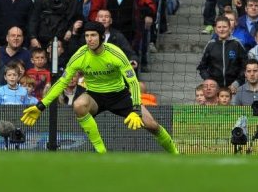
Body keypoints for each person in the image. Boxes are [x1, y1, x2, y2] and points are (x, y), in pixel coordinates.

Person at [21, 21, 178, 154]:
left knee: (152, 125)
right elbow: (62, 82)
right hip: (95, 96)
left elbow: (133, 82)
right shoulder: (79, 56)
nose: (90, 39)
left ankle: (176, 155)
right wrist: (41, 105)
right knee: (79, 105)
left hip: (120, 95)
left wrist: (136, 109)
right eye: (87, 36)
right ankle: (101, 152)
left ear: (102, 37)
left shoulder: (115, 53)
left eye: (93, 35)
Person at [197, 15, 247, 92]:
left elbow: (245, 67)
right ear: (215, 29)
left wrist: (237, 83)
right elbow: (202, 67)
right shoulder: (210, 45)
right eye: (219, 27)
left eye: (224, 27)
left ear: (230, 28)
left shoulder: (237, 44)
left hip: (235, 89)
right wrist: (211, 82)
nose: (222, 30)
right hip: (215, 89)